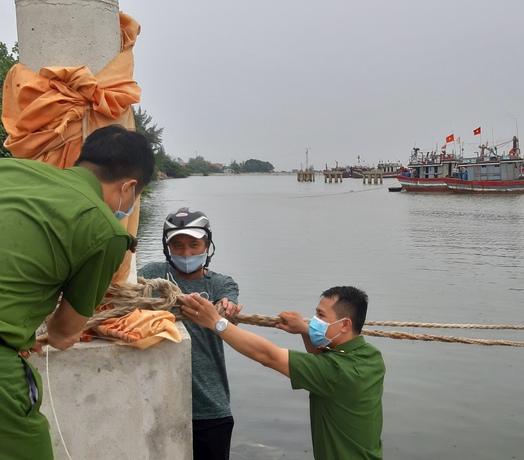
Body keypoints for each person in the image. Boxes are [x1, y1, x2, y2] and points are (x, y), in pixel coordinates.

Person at [0, 124, 155, 460]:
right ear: (129, 187)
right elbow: (62, 331)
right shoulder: (106, 230)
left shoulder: (10, 168)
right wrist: (54, 336)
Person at [182, 286, 385, 460]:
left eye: (321, 316)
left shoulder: (337, 372)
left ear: (345, 325)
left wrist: (216, 323)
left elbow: (268, 356)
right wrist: (305, 330)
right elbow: (325, 353)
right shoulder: (371, 357)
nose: (314, 320)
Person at [137, 207, 242, 460]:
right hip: (159, 402)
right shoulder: (151, 276)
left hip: (211, 406)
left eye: (194, 245)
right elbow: (122, 292)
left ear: (207, 245)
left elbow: (230, 310)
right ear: (167, 247)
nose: (186, 253)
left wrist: (227, 308)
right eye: (178, 245)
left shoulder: (220, 284)